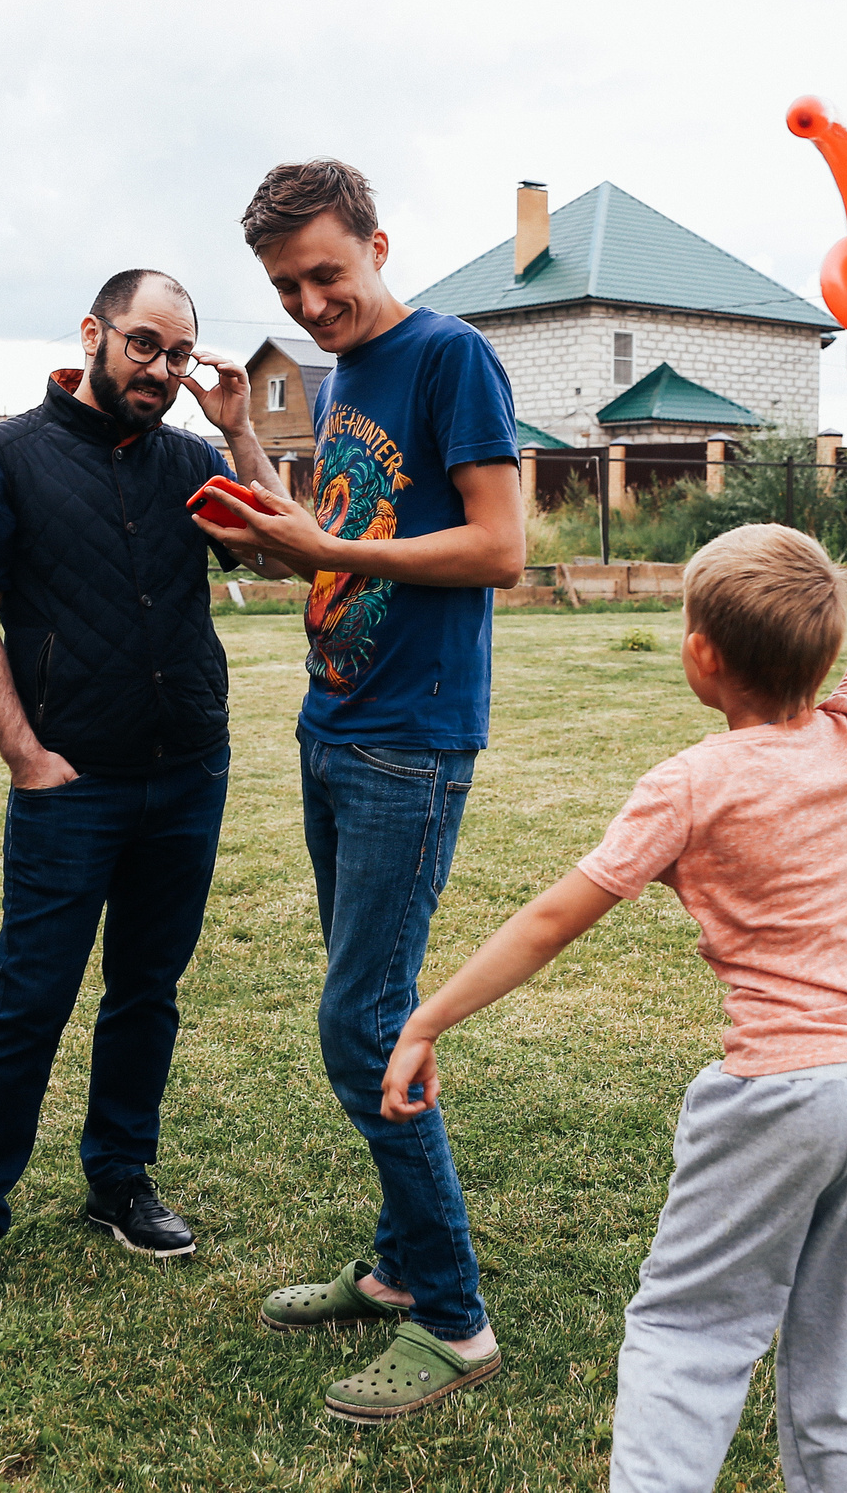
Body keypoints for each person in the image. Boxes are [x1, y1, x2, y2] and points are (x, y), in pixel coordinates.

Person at [378, 338, 847, 1487]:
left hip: (780, 1088)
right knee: (842, 1346)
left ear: (698, 656)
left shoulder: (690, 783)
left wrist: (428, 1017)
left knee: (688, 1333)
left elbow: (549, 920)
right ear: (828, 651)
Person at [0, 268, 293, 1334]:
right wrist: (24, 756)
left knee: (147, 991)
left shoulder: (190, 460)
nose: (161, 369)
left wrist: (240, 432)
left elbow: (275, 551)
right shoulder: (4, 458)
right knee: (26, 1007)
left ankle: (119, 1179)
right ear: (95, 335)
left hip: (188, 770)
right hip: (72, 784)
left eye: (179, 353)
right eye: (144, 346)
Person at [186, 159, 525, 1425]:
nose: (313, 300)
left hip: (411, 742)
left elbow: (499, 547)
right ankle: (394, 1272)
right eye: (287, 285)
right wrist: (239, 442)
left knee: (365, 1022)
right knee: (363, 999)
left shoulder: (448, 357)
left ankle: (452, 1318)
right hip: (331, 721)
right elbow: (328, 538)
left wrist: (324, 546)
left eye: (328, 272)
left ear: (379, 244)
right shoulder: (341, 382)